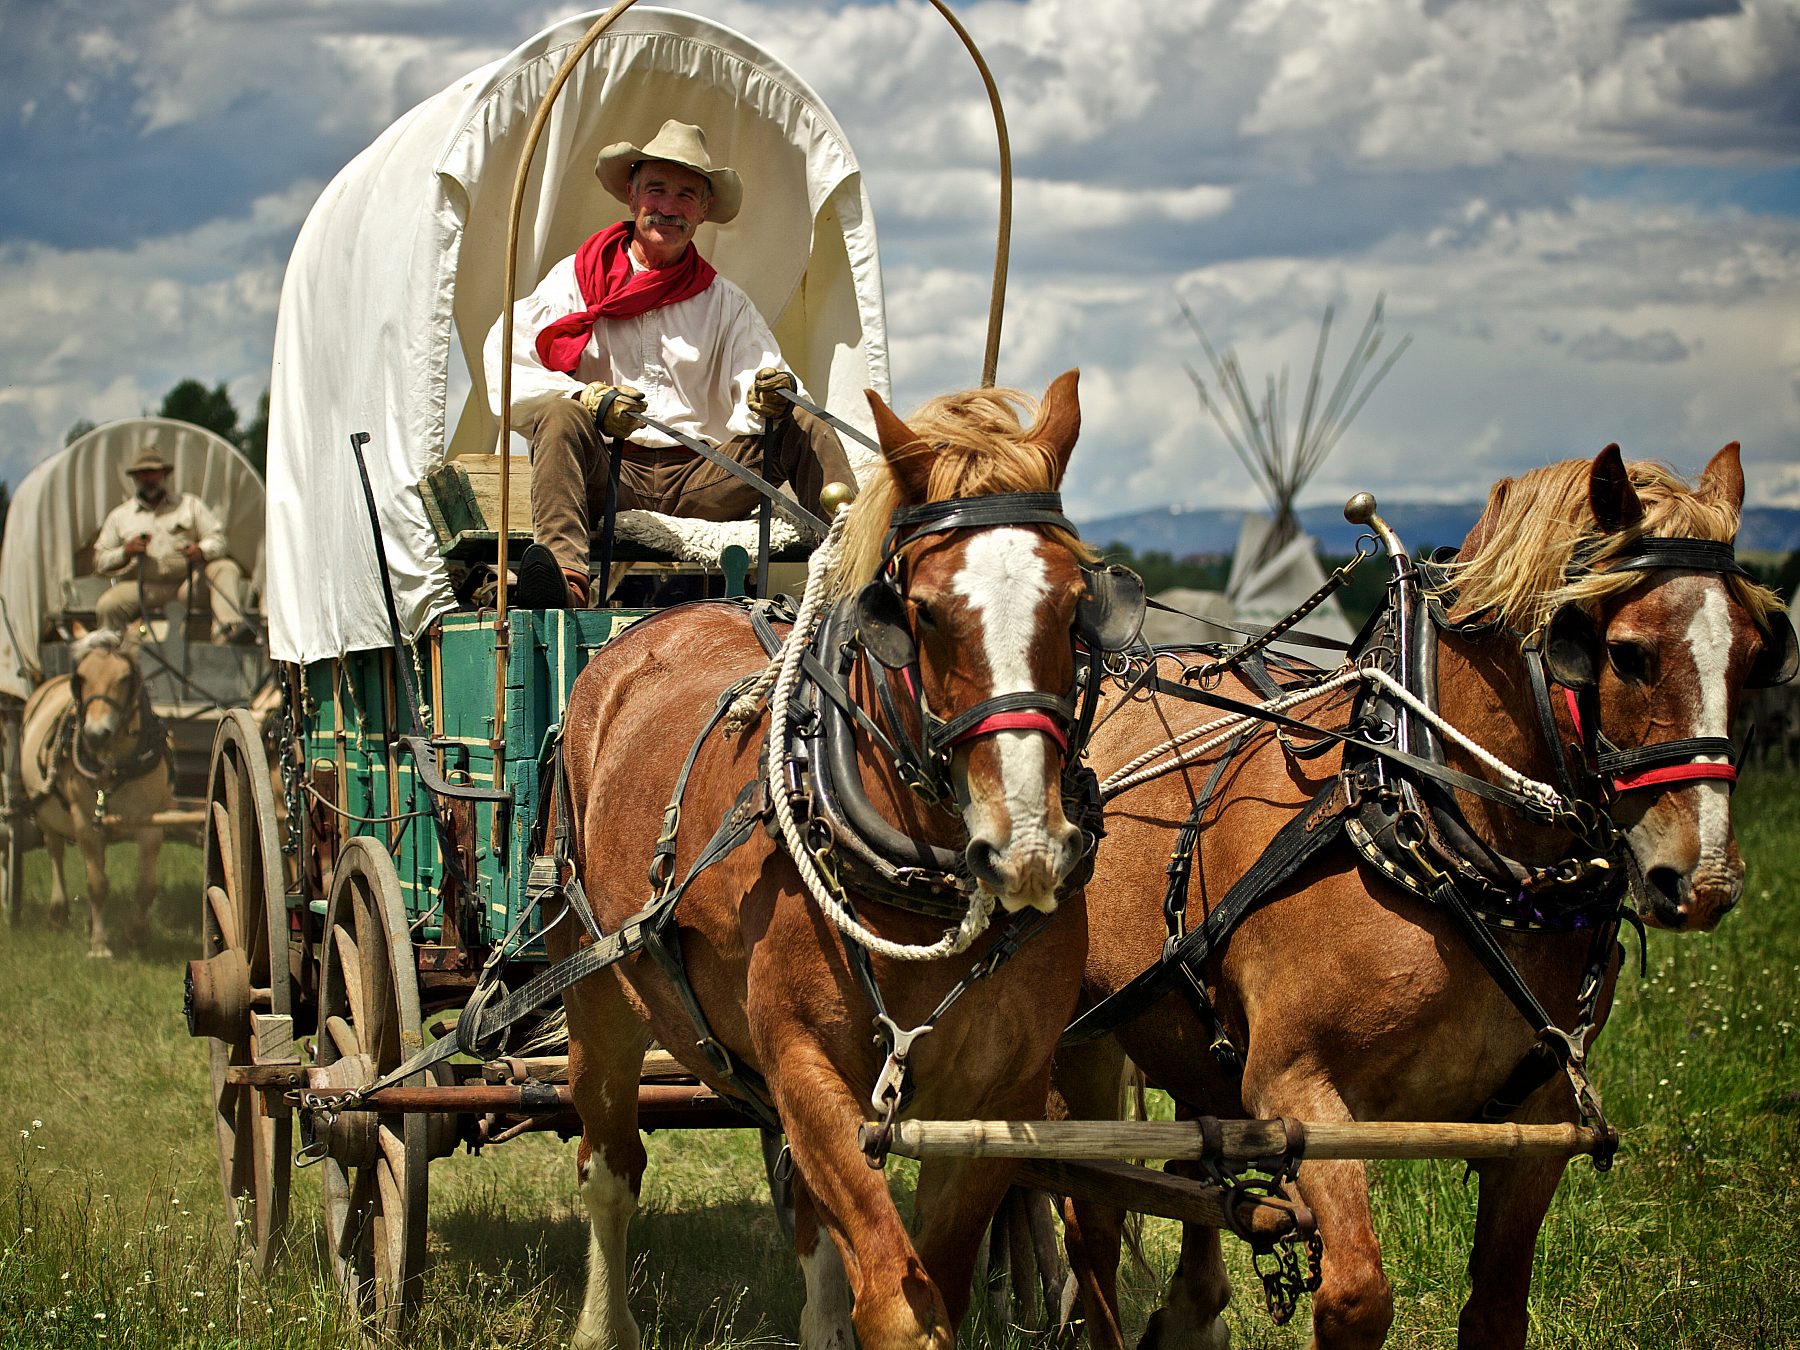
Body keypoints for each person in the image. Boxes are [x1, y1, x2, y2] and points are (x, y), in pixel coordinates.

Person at [485, 118, 856, 608]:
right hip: (610, 474)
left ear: (703, 211)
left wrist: (768, 394)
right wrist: (588, 399)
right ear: (631, 197)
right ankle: (567, 582)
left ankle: (857, 565)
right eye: (656, 189)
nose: (668, 207)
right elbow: (509, 363)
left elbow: (759, 376)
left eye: (685, 195)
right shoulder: (575, 279)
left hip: (703, 479)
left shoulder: (724, 301)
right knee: (559, 415)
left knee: (800, 417)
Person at [92, 443, 255, 644]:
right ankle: (112, 658)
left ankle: (229, 632)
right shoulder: (121, 516)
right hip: (145, 587)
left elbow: (218, 539)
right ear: (134, 477)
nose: (148, 479)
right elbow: (99, 560)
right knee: (108, 604)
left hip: (187, 585)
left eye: (153, 473)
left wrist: (201, 551)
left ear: (164, 474)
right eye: (143, 473)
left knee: (225, 567)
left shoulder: (189, 505)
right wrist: (126, 552)